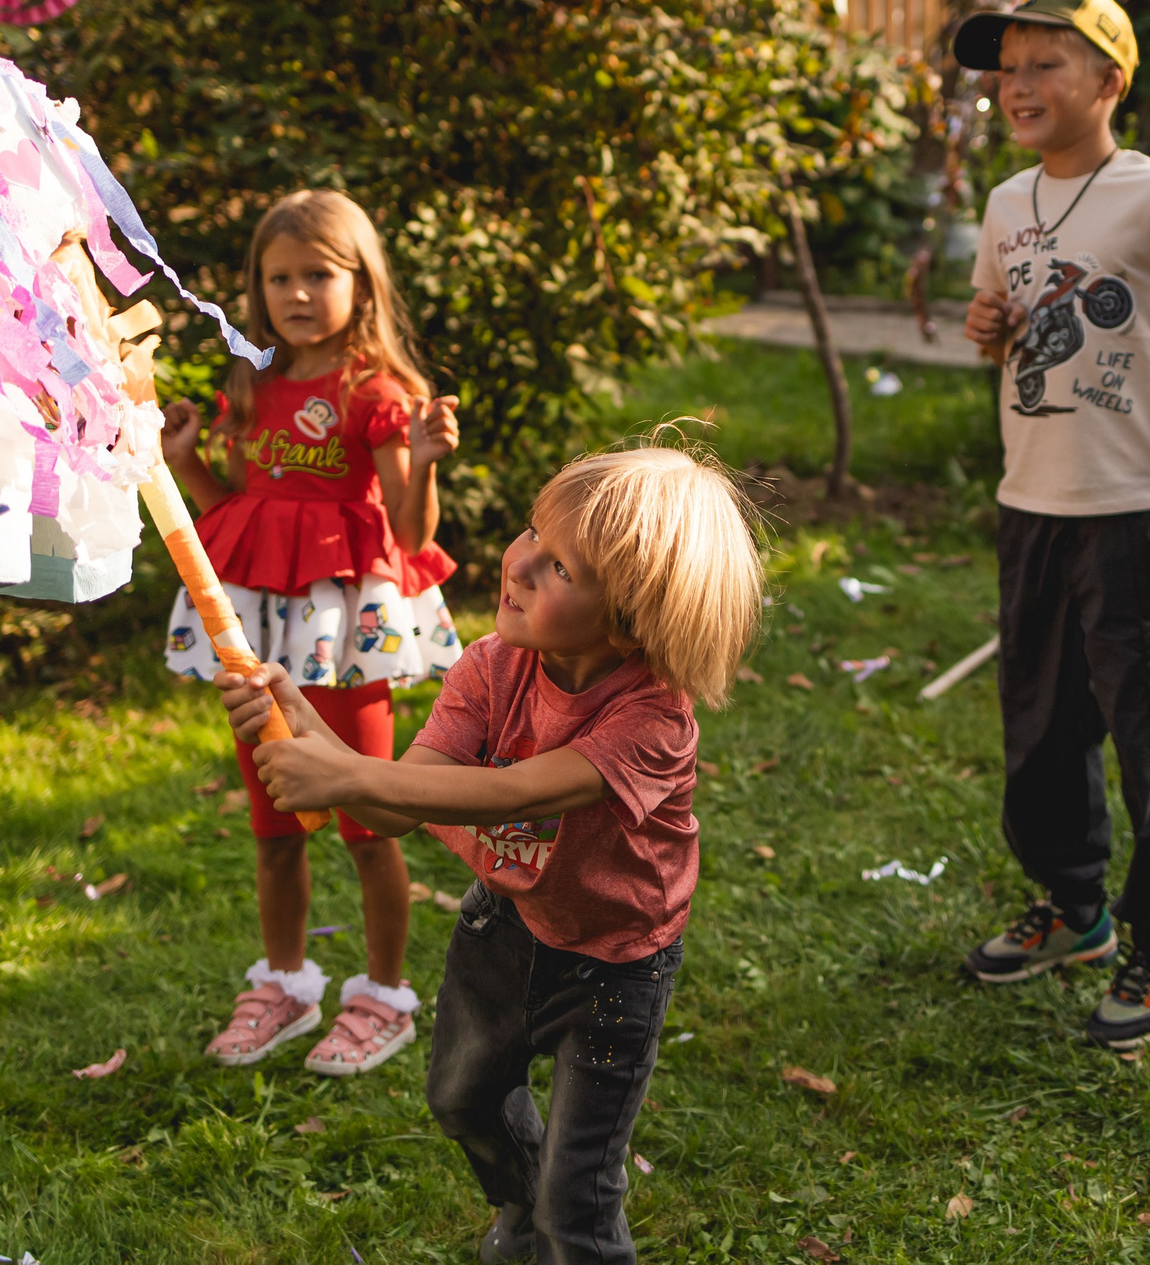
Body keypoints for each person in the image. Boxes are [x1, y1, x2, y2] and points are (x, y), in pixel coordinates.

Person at [221, 442, 763, 1265]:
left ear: (630, 619)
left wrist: (340, 772)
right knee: (461, 1099)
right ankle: (521, 1202)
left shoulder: (653, 719)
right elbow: (396, 805)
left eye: (561, 568)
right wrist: (303, 723)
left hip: (614, 966)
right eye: (532, 532)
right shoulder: (491, 667)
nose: (520, 564)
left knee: (580, 1197)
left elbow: (515, 793)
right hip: (503, 926)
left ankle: (558, 1222)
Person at [953, 0, 1150, 1052]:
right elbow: (1006, 338)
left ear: (1109, 80)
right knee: (1039, 726)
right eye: (1008, 69)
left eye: (1045, 63)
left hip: (1128, 514)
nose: (1017, 85)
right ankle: (1074, 907)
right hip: (1029, 505)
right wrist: (988, 328)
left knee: (1148, 734)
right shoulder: (1006, 203)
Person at [162, 189, 465, 1076]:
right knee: (275, 820)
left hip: (348, 633)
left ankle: (383, 996)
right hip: (258, 632)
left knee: (368, 815)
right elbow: (236, 512)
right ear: (256, 287)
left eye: (318, 275)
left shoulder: (376, 393)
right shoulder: (250, 386)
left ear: (361, 283)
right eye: (279, 277)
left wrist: (426, 465)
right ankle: (285, 985)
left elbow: (407, 530)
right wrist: (185, 464)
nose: (296, 293)